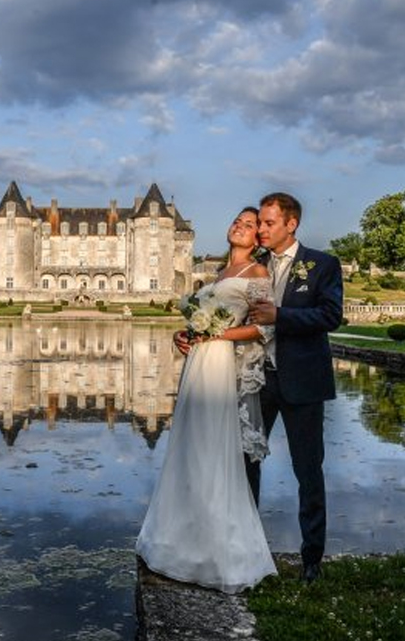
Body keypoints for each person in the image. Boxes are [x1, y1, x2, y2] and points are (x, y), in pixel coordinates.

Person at [135, 208, 277, 592]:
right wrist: (185, 336)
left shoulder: (258, 275)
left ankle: (218, 552)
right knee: (189, 447)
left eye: (250, 225)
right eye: (238, 221)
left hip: (218, 365)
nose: (240, 227)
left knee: (213, 450)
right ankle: (182, 541)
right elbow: (201, 324)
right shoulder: (218, 274)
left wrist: (217, 335)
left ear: (258, 239)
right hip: (198, 363)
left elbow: (264, 326)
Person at [246, 192, 343, 584]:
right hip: (259, 379)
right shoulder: (254, 265)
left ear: (291, 224)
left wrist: (280, 315)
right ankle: (248, 550)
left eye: (269, 223)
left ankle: (311, 560)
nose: (261, 230)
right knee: (246, 465)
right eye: (260, 223)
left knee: (308, 470)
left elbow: (330, 315)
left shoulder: (322, 264)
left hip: (303, 381)